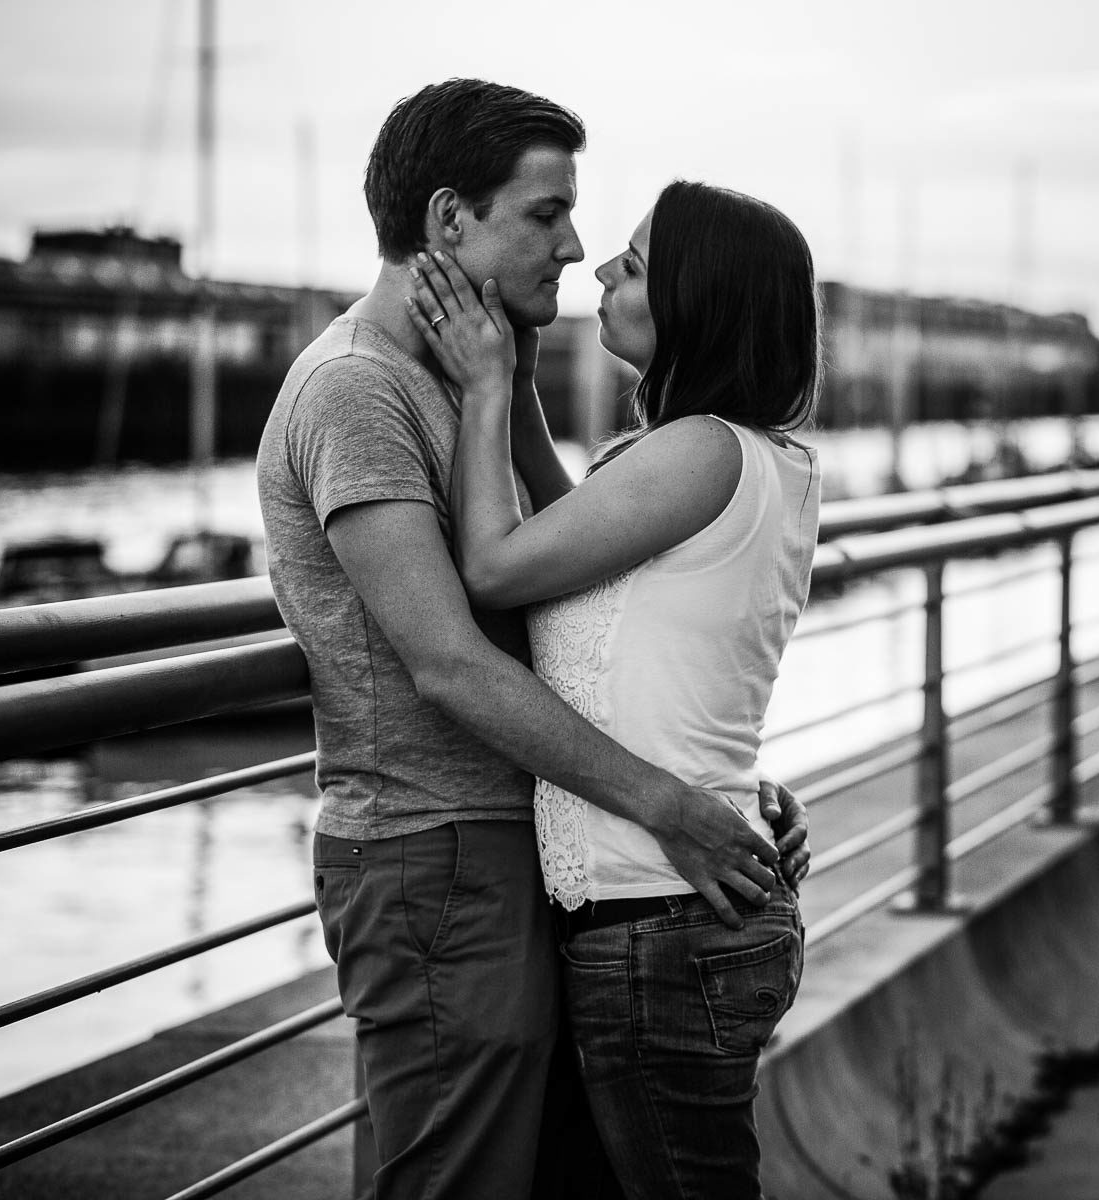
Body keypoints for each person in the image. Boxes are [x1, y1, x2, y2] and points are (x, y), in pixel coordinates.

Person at [255, 80, 808, 1200]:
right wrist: (677, 802)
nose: (578, 246)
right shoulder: (362, 390)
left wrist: (726, 794)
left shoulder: (465, 385)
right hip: (440, 845)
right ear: (450, 221)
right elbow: (449, 655)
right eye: (546, 214)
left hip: (542, 856)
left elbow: (574, 577)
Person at [403, 178, 821, 1198]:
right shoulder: (748, 456)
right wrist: (524, 379)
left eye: (631, 264)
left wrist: (486, 389)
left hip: (663, 923)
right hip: (684, 913)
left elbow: (498, 568)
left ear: (694, 300)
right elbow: (572, 529)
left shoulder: (698, 450)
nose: (599, 271)